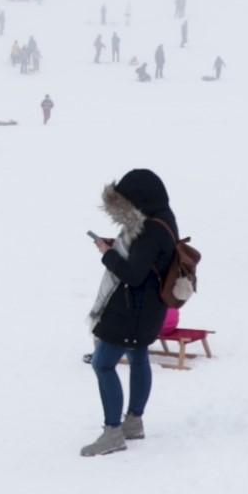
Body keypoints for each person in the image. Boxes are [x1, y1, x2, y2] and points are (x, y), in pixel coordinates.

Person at [82, 169, 179, 457]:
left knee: (102, 364)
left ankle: (113, 432)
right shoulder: (162, 219)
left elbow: (133, 275)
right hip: (149, 311)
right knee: (138, 358)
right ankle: (134, 422)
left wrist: (107, 253)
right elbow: (145, 259)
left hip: (131, 311)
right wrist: (119, 246)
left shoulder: (149, 229)